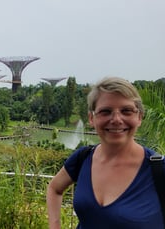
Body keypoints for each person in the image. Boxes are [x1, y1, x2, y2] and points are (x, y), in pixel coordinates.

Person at [46, 76, 164, 229]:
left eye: (126, 111)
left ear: (139, 117)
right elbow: (54, 188)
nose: (116, 119)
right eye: (106, 111)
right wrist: (54, 225)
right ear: (91, 118)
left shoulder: (158, 169)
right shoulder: (82, 158)